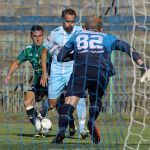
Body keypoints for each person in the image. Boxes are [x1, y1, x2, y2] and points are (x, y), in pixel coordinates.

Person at [53, 15, 150, 144]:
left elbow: (60, 57)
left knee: (70, 101)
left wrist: (77, 54)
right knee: (95, 99)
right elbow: (127, 48)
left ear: (84, 28)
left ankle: (61, 132)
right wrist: (143, 66)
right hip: (100, 72)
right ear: (101, 29)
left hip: (81, 71)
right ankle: (91, 121)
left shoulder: (77, 36)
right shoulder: (107, 37)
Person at [40, 8, 89, 139]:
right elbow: (44, 52)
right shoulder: (55, 33)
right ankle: (42, 111)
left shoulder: (80, 31)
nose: (70, 25)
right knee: (52, 104)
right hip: (57, 71)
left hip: (74, 70)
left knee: (80, 96)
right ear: (63, 20)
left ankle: (82, 129)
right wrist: (45, 72)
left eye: (72, 22)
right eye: (67, 22)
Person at [3, 25, 51, 138]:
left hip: (52, 81)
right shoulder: (28, 50)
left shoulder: (48, 48)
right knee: (27, 102)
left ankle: (72, 126)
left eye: (40, 36)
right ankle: (39, 128)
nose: (38, 39)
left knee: (56, 105)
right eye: (35, 36)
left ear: (43, 35)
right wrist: (9, 75)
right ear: (31, 36)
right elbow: (16, 63)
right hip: (38, 82)